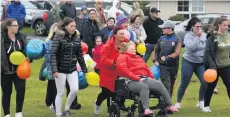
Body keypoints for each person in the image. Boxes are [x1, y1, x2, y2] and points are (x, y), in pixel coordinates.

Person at [116, 41, 178, 115]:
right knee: (143, 87)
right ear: (126, 50)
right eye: (131, 49)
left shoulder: (138, 57)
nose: (134, 50)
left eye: (134, 49)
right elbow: (125, 71)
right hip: (130, 80)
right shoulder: (122, 57)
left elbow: (147, 69)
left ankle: (169, 105)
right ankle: (146, 109)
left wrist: (152, 78)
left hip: (143, 78)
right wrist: (137, 78)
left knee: (158, 84)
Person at [51, 17, 87, 117]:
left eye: (75, 26)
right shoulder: (58, 36)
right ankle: (58, 113)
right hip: (60, 68)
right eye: (71, 26)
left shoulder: (77, 37)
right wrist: (54, 69)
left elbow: (79, 54)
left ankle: (67, 109)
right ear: (66, 26)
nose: (73, 28)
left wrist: (83, 68)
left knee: (75, 89)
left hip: (72, 68)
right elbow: (53, 53)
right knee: (60, 92)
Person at [94, 26, 129, 115]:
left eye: (123, 33)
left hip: (119, 72)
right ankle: (97, 103)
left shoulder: (126, 43)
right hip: (107, 73)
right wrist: (114, 62)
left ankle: (112, 110)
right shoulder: (107, 46)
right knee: (106, 93)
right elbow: (103, 60)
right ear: (114, 35)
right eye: (120, 34)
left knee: (116, 93)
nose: (122, 35)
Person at [175, 17, 207, 110]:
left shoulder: (204, 35)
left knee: (205, 82)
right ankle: (178, 102)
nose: (199, 28)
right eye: (197, 26)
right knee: (185, 83)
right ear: (192, 27)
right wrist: (197, 37)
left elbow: (206, 47)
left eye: (200, 26)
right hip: (188, 61)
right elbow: (191, 48)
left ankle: (201, 101)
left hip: (200, 63)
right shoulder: (188, 36)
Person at [1, 18, 27, 117]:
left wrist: (28, 58)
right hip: (5, 70)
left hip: (20, 70)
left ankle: (19, 112)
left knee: (21, 90)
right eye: (14, 25)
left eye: (17, 25)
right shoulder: (2, 38)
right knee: (7, 92)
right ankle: (7, 114)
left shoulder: (21, 36)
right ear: (8, 27)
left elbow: (26, 51)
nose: (17, 27)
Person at [203, 17, 230, 112]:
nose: (226, 27)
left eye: (227, 25)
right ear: (219, 25)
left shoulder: (228, 35)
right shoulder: (212, 37)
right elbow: (208, 53)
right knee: (210, 87)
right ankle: (206, 106)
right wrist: (212, 66)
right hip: (214, 67)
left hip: (227, 65)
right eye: (224, 25)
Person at [152, 20, 182, 97]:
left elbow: (177, 52)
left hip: (174, 66)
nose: (162, 29)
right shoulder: (161, 38)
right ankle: (167, 105)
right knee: (166, 84)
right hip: (163, 66)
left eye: (163, 28)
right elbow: (155, 50)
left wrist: (167, 57)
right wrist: (155, 60)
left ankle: (167, 104)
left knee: (171, 85)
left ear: (169, 28)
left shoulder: (177, 39)